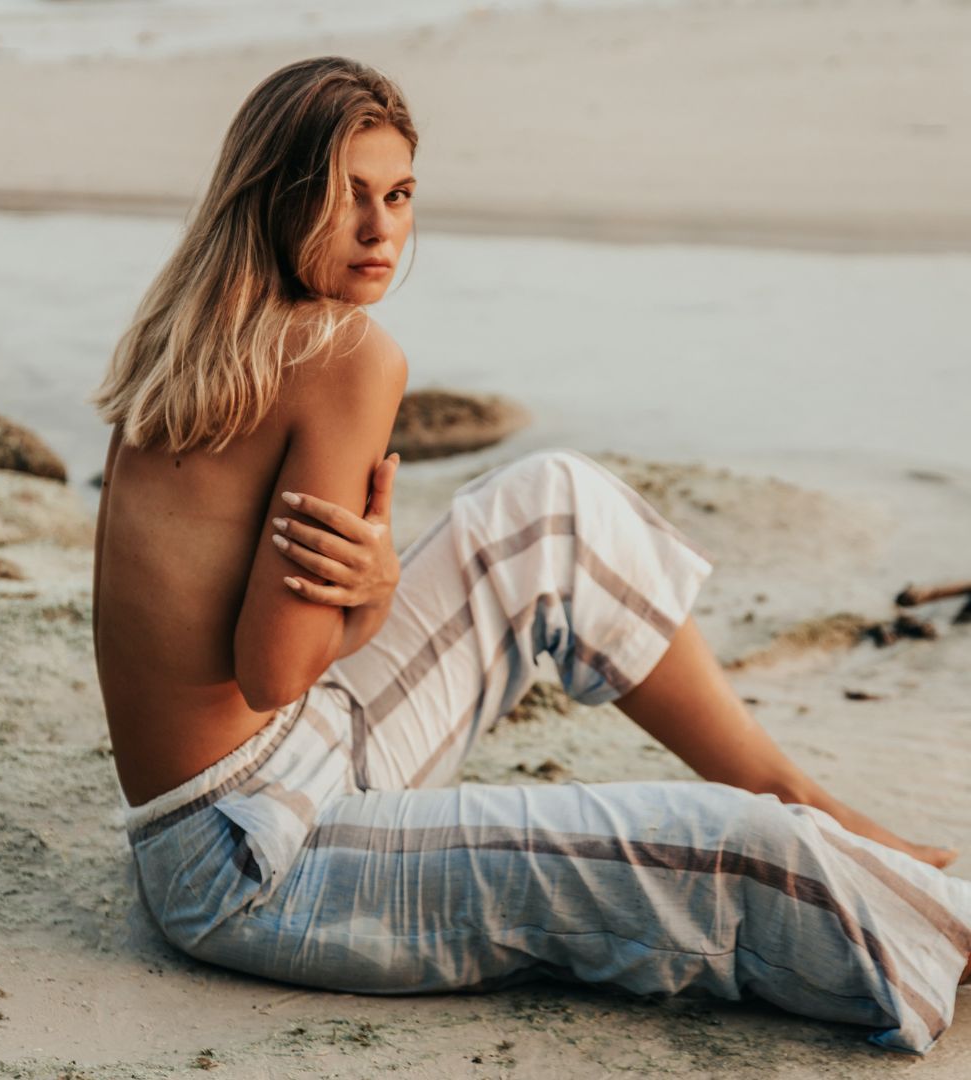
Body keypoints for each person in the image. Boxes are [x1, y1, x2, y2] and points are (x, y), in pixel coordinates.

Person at [90, 56, 971, 1054]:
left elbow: (261, 670)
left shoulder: (187, 340)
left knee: (554, 505)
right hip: (252, 862)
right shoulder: (344, 354)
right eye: (349, 200)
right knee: (736, 858)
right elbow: (275, 667)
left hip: (266, 773)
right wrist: (375, 597)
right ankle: (916, 907)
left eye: (401, 194)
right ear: (279, 199)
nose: (383, 232)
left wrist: (369, 587)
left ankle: (800, 792)